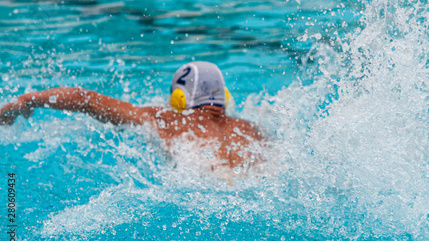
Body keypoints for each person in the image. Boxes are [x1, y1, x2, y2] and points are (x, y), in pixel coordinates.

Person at [0, 61, 264, 169]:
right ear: (225, 97)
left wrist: (22, 101)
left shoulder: (165, 118)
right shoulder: (253, 130)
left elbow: (83, 98)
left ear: (179, 100)